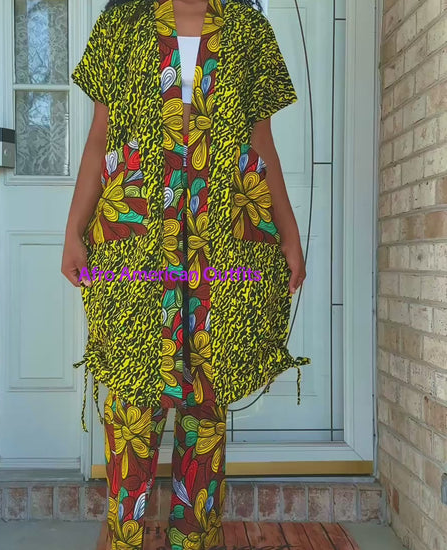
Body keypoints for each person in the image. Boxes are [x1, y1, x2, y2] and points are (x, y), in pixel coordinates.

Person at [61, 0, 311, 548]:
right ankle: (126, 538)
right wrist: (74, 229)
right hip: (135, 246)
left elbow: (261, 145)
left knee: (205, 405)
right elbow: (101, 136)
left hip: (221, 250)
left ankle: (193, 540)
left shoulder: (248, 30)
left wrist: (290, 233)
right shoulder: (120, 25)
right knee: (133, 402)